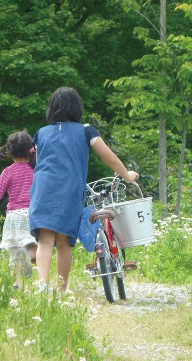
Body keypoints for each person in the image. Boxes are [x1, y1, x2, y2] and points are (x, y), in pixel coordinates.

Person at [29, 87, 139, 292]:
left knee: (45, 239)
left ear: (52, 108)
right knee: (63, 241)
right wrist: (127, 175)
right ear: (77, 108)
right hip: (69, 189)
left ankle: (42, 286)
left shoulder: (40, 134)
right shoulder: (86, 130)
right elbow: (109, 158)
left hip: (42, 188)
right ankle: (61, 290)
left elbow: (37, 161)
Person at [0, 131, 37, 288]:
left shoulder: (8, 172)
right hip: (33, 214)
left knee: (14, 252)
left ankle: (16, 283)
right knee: (32, 246)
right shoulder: (36, 170)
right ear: (30, 150)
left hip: (14, 217)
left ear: (10, 151)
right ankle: (31, 255)